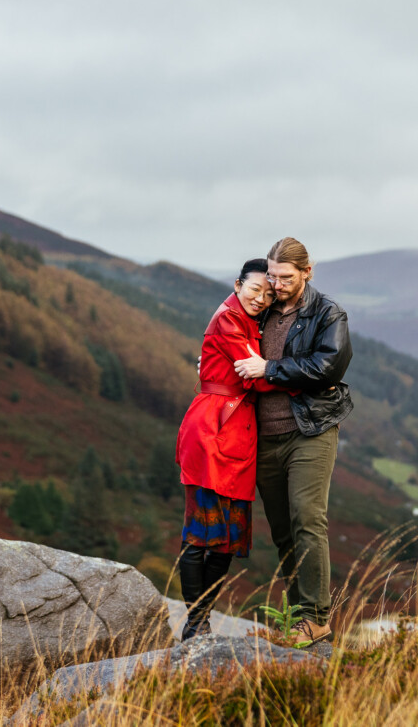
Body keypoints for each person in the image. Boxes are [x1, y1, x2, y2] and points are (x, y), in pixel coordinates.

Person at [233, 237, 353, 646]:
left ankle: (317, 618)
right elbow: (235, 344)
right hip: (264, 435)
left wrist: (269, 367)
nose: (277, 284)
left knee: (307, 518)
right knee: (283, 530)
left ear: (307, 272)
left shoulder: (328, 313)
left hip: (310, 431)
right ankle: (300, 613)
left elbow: (326, 366)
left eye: (286, 277)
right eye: (272, 275)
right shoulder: (262, 307)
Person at [174, 258, 287, 640]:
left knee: (224, 542)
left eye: (268, 294)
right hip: (212, 433)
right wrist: (302, 375)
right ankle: (195, 622)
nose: (261, 298)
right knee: (201, 535)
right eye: (255, 289)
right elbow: (253, 376)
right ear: (238, 284)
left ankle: (200, 618)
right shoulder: (228, 319)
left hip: (237, 437)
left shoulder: (251, 321)